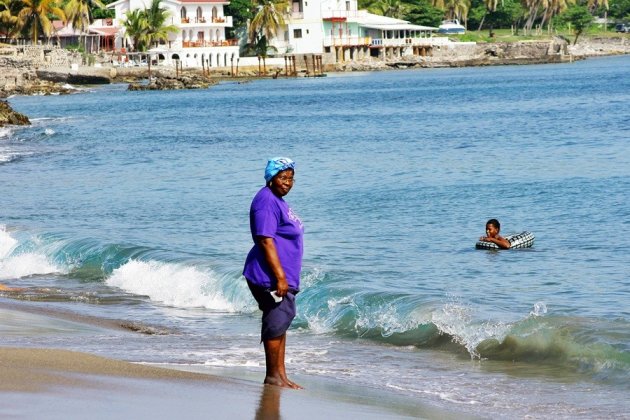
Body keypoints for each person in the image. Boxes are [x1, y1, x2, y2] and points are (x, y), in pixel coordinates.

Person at [243, 157, 304, 389]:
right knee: (275, 321)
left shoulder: (276, 200)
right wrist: (280, 277)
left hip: (279, 276)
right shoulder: (266, 201)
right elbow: (266, 240)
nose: (287, 182)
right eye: (282, 177)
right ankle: (272, 377)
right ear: (271, 178)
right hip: (268, 276)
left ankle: (280, 375)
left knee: (281, 321)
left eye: (290, 178)